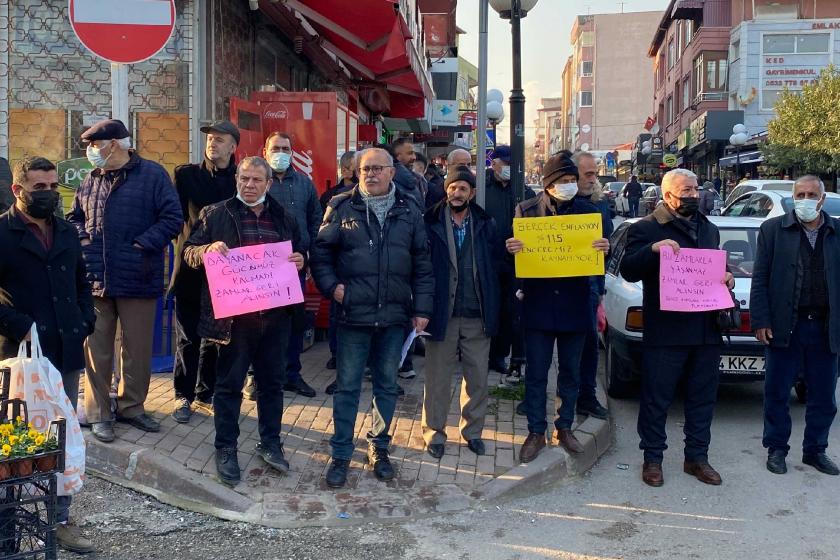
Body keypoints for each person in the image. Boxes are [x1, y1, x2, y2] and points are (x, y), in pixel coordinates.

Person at [311, 147, 433, 489]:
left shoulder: (409, 210)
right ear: (356, 171)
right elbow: (320, 253)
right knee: (347, 387)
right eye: (366, 169)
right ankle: (340, 454)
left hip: (395, 317)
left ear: (392, 172)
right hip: (353, 314)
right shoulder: (340, 206)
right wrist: (333, 288)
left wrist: (422, 309)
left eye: (379, 168)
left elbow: (423, 263)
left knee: (387, 386)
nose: (372, 174)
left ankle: (379, 447)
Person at [183, 156, 305, 486]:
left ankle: (270, 443)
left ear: (269, 184)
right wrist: (206, 250)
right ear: (236, 179)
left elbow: (301, 254)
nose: (248, 185)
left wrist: (300, 260)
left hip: (275, 318)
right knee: (228, 387)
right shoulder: (215, 213)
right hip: (234, 320)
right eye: (243, 179)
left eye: (256, 180)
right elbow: (188, 252)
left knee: (271, 385)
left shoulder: (284, 217)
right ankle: (225, 448)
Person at [0, 156, 95, 553]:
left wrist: (85, 318)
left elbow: (80, 282)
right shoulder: (2, 232)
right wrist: (16, 323)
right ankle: (8, 516)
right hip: (19, 355)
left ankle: (59, 517)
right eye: (41, 188)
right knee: (15, 437)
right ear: (17, 190)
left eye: (54, 186)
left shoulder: (68, 232)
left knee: (61, 435)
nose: (50, 194)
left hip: (64, 348)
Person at [68, 119, 182, 443]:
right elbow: (75, 217)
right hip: (96, 278)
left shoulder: (153, 175)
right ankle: (99, 413)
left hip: (139, 275)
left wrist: (142, 244)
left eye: (95, 145)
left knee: (137, 349)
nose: (91, 152)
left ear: (114, 144)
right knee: (96, 348)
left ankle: (132, 406)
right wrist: (84, 242)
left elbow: (172, 218)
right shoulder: (91, 179)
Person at [619, 168, 734, 487]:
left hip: (705, 328)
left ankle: (697, 458)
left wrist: (727, 278)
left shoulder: (709, 229)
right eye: (687, 189)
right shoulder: (646, 228)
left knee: (702, 398)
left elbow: (716, 269)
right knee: (657, 397)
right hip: (667, 330)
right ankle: (652, 458)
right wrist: (652, 251)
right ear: (668, 195)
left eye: (696, 188)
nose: (694, 194)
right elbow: (628, 269)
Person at [506, 152, 610, 463]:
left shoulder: (588, 212)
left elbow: (597, 260)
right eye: (562, 182)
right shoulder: (526, 211)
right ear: (549, 184)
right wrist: (512, 250)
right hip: (538, 303)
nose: (568, 186)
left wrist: (603, 249)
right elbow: (513, 260)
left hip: (575, 302)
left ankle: (564, 428)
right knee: (536, 373)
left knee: (570, 372)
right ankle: (535, 431)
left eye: (571, 181)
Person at [751, 175, 840, 476]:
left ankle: (816, 450)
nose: (805, 199)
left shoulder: (836, 231)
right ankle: (776, 449)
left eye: (811, 194)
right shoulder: (773, 230)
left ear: (822, 199)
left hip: (826, 326)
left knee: (824, 395)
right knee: (777, 391)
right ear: (793, 197)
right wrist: (761, 319)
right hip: (785, 324)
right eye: (800, 194)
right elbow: (760, 278)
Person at [422, 166, 500, 459]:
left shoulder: (486, 223)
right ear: (446, 189)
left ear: (472, 192)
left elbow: (496, 265)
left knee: (478, 378)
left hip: (478, 312)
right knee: (437, 378)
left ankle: (473, 432)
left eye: (463, 189)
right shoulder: (428, 221)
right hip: (441, 312)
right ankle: (434, 433)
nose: (457, 193)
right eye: (453, 188)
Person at [169, 121, 239, 423]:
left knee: (216, 335)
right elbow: (175, 216)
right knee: (187, 335)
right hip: (191, 266)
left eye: (220, 139)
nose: (213, 143)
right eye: (210, 138)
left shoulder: (240, 179)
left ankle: (204, 392)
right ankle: (182, 395)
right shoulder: (186, 175)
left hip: (227, 271)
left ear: (233, 147)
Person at [263, 131, 322, 399]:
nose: (280, 153)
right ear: (265, 151)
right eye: (275, 148)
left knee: (293, 322)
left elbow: (316, 220)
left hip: (294, 265)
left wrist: (308, 255)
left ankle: (292, 375)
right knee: (260, 324)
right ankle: (257, 376)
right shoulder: (257, 180)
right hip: (262, 268)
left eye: (285, 148)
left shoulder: (305, 184)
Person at [572, 151, 613, 419]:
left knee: (588, 345)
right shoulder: (557, 202)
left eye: (594, 173)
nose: (593, 178)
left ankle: (586, 397)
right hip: (557, 285)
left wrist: (605, 246)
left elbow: (607, 242)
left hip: (588, 287)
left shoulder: (600, 204)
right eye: (588, 173)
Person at [485, 145, 531, 377]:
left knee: (511, 311)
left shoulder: (524, 192)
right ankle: (486, 354)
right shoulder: (481, 190)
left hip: (515, 263)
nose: (509, 169)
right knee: (489, 308)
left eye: (512, 165)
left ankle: (501, 356)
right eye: (504, 164)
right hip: (488, 260)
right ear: (493, 164)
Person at [321, 151, 357, 384]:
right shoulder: (332, 198)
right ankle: (336, 354)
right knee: (337, 314)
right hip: (339, 266)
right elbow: (322, 234)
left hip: (360, 269)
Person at [389, 139, 426, 208]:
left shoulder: (417, 179)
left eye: (414, 153)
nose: (414, 157)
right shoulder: (389, 181)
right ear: (398, 155)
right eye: (410, 153)